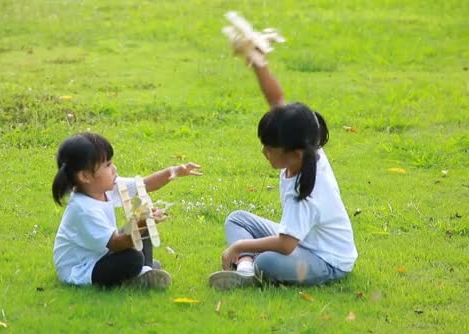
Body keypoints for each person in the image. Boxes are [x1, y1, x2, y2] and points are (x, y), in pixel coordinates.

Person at [209, 47, 358, 290]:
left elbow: (286, 245)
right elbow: (277, 101)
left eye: (269, 148)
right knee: (236, 219)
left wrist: (238, 246)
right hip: (301, 240)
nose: (263, 153)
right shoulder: (307, 146)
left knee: (268, 262)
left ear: (294, 154)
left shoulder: (306, 191)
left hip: (326, 261)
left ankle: (249, 263)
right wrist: (258, 64)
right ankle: (246, 268)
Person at [52, 132, 201, 289]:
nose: (114, 169)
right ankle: (139, 272)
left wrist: (172, 171)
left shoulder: (101, 187)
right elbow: (116, 244)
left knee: (143, 232)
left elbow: (143, 184)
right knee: (133, 258)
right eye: (108, 165)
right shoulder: (83, 209)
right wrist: (142, 221)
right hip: (83, 268)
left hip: (101, 253)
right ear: (85, 176)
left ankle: (145, 270)